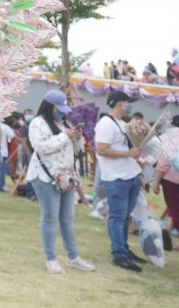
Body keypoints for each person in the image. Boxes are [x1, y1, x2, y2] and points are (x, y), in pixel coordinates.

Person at [26, 90, 95, 274]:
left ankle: (73, 257)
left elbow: (76, 150)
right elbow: (42, 147)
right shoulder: (37, 123)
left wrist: (78, 138)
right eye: (59, 109)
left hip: (66, 176)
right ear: (50, 107)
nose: (62, 113)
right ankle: (51, 259)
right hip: (45, 176)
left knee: (67, 219)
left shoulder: (65, 123)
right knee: (50, 219)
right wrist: (66, 135)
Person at [95, 91, 147, 272]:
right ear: (119, 104)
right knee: (117, 217)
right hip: (116, 178)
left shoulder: (122, 123)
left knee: (125, 217)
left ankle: (124, 249)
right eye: (127, 102)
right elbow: (101, 149)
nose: (129, 106)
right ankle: (119, 255)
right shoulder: (106, 124)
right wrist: (128, 154)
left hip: (129, 175)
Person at [152, 115, 179, 252]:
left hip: (171, 180)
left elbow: (163, 163)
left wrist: (156, 181)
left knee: (175, 209)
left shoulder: (171, 139)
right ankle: (166, 232)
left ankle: (166, 232)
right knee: (175, 210)